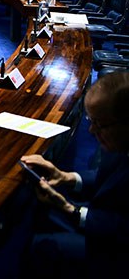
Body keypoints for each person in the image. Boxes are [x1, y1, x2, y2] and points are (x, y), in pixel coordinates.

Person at [20, 72, 129, 275]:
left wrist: (71, 209)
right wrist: (66, 177)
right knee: (41, 210)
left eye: (99, 124)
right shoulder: (119, 140)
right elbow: (106, 177)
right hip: (105, 217)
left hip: (119, 250)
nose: (91, 131)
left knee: (43, 247)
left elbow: (123, 230)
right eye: (91, 120)